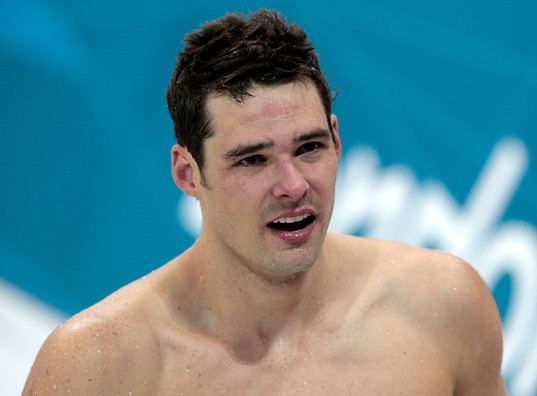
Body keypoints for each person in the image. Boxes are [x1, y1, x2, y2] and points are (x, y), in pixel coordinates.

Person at [23, 9, 506, 395]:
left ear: (337, 141)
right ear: (188, 173)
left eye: (309, 148)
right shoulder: (96, 368)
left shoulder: (444, 306)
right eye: (252, 160)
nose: (293, 185)